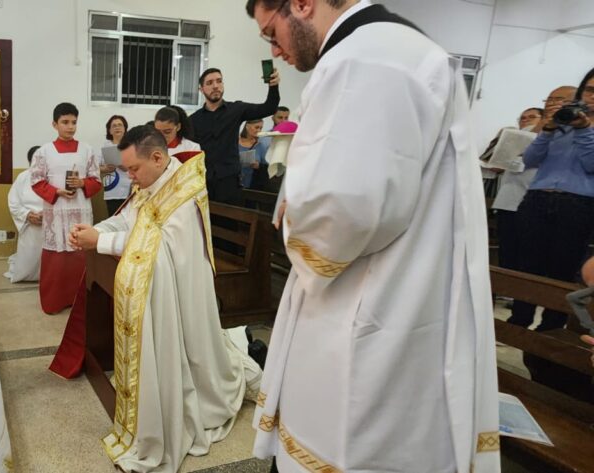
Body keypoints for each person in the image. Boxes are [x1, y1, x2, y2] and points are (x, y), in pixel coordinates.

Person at [245, 1, 500, 472]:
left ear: (301, 4)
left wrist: (294, 208)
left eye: (271, 32)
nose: (274, 49)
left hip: (371, 302)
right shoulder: (396, 49)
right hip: (406, 289)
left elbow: (343, 211)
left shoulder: (362, 60)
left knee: (355, 439)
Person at [68, 126, 259, 473]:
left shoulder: (184, 194)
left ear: (157, 157)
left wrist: (102, 242)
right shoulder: (150, 182)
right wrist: (97, 231)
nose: (130, 177)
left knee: (195, 355)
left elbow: (159, 250)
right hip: (164, 283)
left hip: (186, 295)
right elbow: (127, 220)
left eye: (133, 169)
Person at [507, 75, 594, 331]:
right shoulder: (562, 125)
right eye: (588, 90)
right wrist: (546, 128)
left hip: (579, 204)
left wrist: (584, 129)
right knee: (527, 266)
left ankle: (552, 330)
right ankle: (518, 323)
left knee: (563, 269)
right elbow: (531, 160)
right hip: (537, 197)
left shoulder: (581, 127)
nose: (591, 96)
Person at [30, 103, 102, 314]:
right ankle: (54, 301)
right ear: (55, 124)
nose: (70, 127)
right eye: (65, 122)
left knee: (80, 256)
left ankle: (79, 301)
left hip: (80, 211)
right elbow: (36, 181)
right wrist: (57, 192)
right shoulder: (44, 152)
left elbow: (96, 180)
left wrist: (82, 184)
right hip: (57, 213)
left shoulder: (87, 150)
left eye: (74, 122)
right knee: (57, 258)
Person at [190, 67, 280, 204]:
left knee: (229, 223)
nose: (215, 86)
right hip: (202, 182)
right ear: (201, 89)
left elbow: (269, 107)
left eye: (219, 81)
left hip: (229, 181)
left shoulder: (236, 109)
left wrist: (273, 86)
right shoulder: (193, 120)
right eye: (209, 83)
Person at [489, 107, 543, 273]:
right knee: (507, 252)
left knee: (528, 254)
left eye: (531, 117)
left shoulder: (544, 139)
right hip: (507, 201)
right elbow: (496, 167)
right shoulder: (511, 139)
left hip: (530, 201)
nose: (525, 120)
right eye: (522, 117)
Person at [5, 146, 45, 283]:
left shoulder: (54, 177)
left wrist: (47, 215)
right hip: (30, 224)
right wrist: (28, 215)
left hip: (50, 223)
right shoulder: (23, 177)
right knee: (29, 257)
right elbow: (13, 202)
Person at [98, 115, 131, 217]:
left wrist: (122, 165)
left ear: (125, 129)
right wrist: (104, 169)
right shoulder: (105, 146)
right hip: (112, 190)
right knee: (113, 219)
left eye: (120, 125)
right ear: (110, 131)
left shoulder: (131, 146)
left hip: (129, 190)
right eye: (114, 126)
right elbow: (96, 167)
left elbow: (136, 166)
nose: (117, 127)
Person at [238, 119, 270, 189]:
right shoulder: (234, 142)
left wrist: (258, 166)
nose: (259, 130)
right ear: (247, 126)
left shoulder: (260, 146)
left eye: (261, 128)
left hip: (251, 184)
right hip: (232, 182)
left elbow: (266, 167)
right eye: (256, 127)